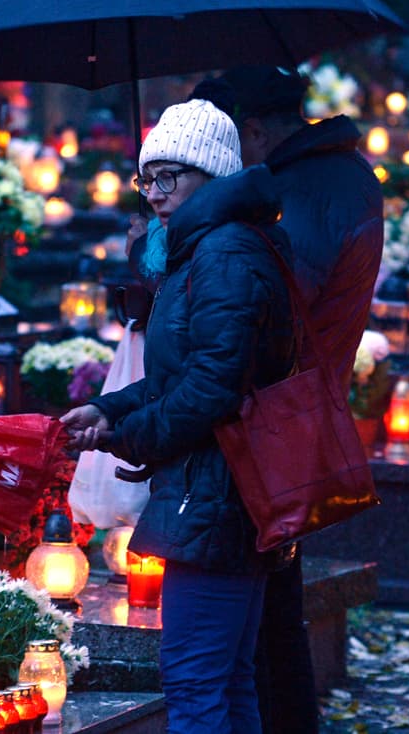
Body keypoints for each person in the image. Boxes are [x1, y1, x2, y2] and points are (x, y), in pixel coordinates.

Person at [62, 99, 297, 734]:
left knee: (194, 679)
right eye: (149, 178)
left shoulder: (223, 254)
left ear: (213, 176)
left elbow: (212, 388)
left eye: (173, 176)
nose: (157, 193)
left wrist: (124, 434)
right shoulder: (207, 251)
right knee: (227, 677)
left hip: (214, 492)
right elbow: (178, 376)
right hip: (221, 490)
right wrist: (105, 408)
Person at [189, 66, 384, 734]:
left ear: (251, 130)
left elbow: (261, 307)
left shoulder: (305, 188)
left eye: (217, 146)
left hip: (272, 413)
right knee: (271, 616)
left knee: (264, 628)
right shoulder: (330, 174)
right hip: (290, 404)